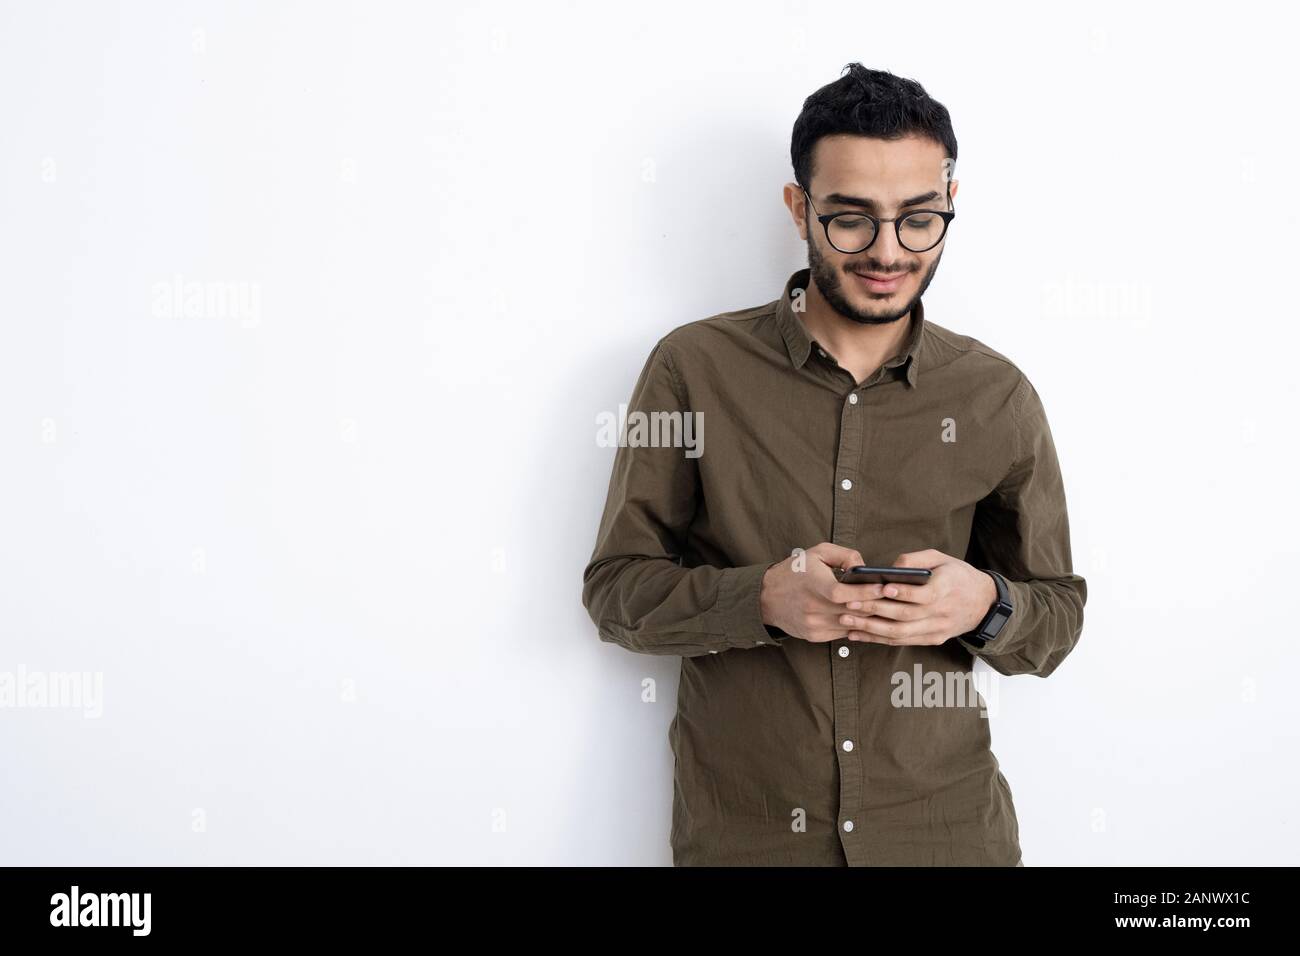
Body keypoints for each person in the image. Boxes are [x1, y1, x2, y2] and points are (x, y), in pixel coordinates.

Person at [582, 63, 1086, 866]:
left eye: (919, 219)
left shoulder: (998, 396)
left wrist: (984, 605)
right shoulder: (692, 369)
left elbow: (1056, 619)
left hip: (947, 839)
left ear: (951, 206)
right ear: (799, 208)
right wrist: (761, 600)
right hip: (745, 841)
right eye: (851, 219)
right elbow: (614, 594)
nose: (888, 251)